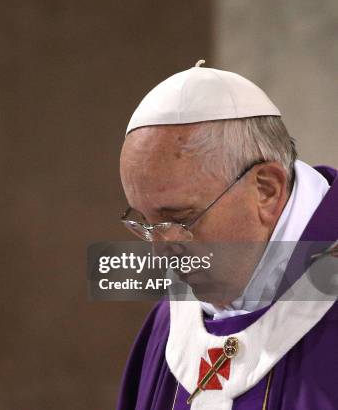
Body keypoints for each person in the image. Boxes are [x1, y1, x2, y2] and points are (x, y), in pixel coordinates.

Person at [116, 61, 338, 410]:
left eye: (180, 219)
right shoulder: (170, 325)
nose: (161, 255)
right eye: (145, 223)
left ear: (266, 189)